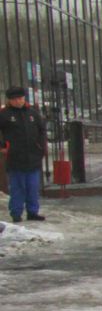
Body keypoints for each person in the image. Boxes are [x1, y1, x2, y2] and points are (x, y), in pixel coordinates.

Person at [2, 84, 49, 223]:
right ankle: (16, 213)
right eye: (15, 99)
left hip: (33, 156)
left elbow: (42, 130)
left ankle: (32, 211)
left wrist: (41, 147)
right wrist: (4, 146)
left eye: (21, 98)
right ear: (9, 100)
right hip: (15, 157)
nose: (18, 101)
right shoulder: (4, 115)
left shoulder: (32, 113)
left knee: (33, 187)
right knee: (17, 187)